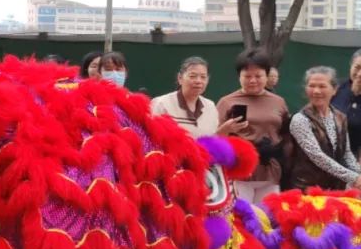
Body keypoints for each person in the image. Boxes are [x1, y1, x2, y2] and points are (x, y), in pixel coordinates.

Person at [216, 50, 291, 205]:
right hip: (239, 172)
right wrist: (226, 131)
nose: (253, 80)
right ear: (239, 77)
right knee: (241, 220)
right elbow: (214, 139)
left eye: (258, 76)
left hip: (270, 172)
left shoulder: (278, 102)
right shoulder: (226, 102)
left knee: (267, 220)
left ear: (267, 76)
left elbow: (286, 135)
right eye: (247, 76)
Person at [288, 67, 361, 191]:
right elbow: (318, 157)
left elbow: (346, 153)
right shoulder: (300, 119)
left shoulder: (340, 117)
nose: (316, 91)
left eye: (322, 86)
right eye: (312, 86)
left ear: (334, 90)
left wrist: (359, 173)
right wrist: (353, 177)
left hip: (336, 188)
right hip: (307, 188)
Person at [151, 57, 242, 138]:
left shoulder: (210, 106)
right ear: (180, 78)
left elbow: (212, 141)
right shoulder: (161, 103)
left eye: (203, 77)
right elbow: (152, 138)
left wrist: (224, 130)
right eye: (192, 76)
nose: (198, 81)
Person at [330, 49, 361, 157]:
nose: (360, 74)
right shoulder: (335, 88)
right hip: (328, 152)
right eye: (357, 67)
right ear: (351, 65)